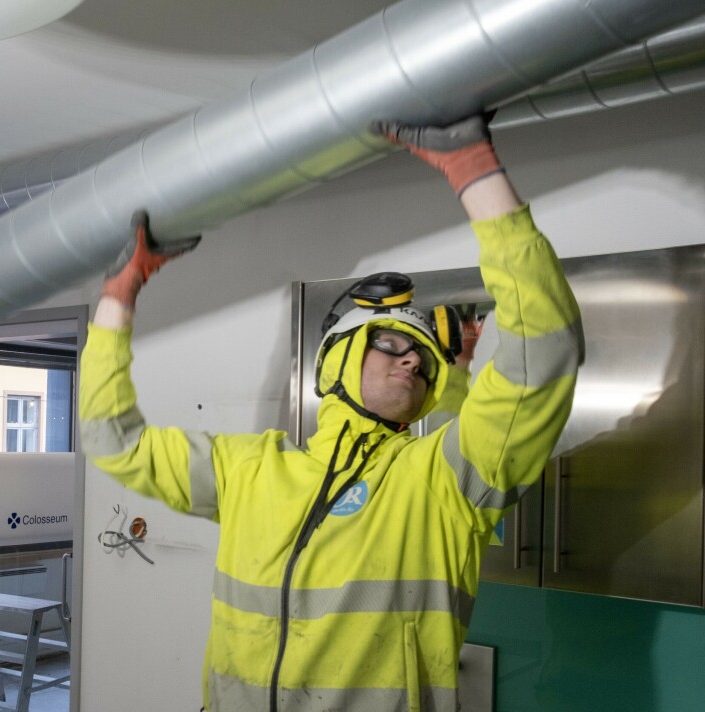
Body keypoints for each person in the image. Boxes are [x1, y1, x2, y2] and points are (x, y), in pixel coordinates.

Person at [79, 115, 584, 711]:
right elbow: (111, 439)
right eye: (390, 346)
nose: (410, 366)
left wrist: (471, 169)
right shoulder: (252, 470)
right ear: (336, 362)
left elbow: (546, 346)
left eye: (423, 364)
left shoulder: (439, 484)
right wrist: (118, 295)